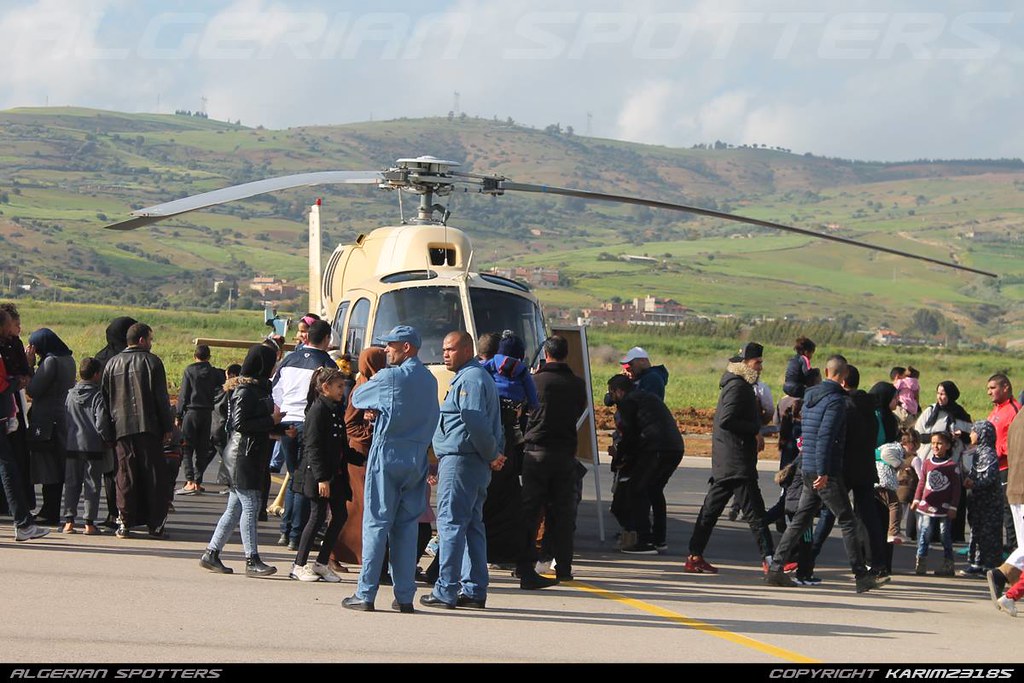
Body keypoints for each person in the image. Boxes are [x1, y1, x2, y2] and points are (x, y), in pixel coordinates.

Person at [341, 326, 439, 613]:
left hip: (388, 453)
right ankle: (405, 595)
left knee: (376, 524)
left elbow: (358, 399)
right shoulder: (429, 379)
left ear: (406, 347)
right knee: (407, 527)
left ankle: (365, 593)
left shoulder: (391, 377)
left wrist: (378, 406)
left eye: (391, 345)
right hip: (417, 457)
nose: (386, 350)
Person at [766, 355, 883, 594]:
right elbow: (826, 437)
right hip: (824, 470)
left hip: (807, 466)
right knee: (848, 520)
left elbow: (811, 435)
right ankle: (861, 576)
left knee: (801, 520)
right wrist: (824, 471)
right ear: (841, 376)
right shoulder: (835, 401)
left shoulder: (810, 396)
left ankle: (776, 569)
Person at [420, 331, 505, 610]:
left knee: (451, 525)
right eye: (444, 349)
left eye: (451, 349)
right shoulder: (477, 377)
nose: (445, 354)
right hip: (471, 462)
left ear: (467, 350)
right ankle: (474, 588)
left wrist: (492, 454)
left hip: (461, 461)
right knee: (471, 526)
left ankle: (446, 589)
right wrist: (493, 455)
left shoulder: (469, 379)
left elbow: (474, 421)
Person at [685, 342, 773, 574]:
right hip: (736, 461)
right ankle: (771, 561)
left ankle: (694, 556)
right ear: (744, 363)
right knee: (756, 514)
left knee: (710, 511)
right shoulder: (738, 387)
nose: (760, 367)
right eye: (757, 363)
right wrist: (754, 427)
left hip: (727, 461)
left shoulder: (739, 385)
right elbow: (727, 420)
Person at [200, 344, 283, 577]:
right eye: (272, 362)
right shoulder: (246, 391)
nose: (274, 367)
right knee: (250, 506)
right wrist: (271, 420)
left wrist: (278, 427)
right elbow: (240, 424)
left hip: (248, 453)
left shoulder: (258, 389)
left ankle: (212, 553)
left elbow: (254, 422)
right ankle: (252, 559)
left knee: (234, 508)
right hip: (241, 456)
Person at [516, 335, 589, 584]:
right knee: (563, 513)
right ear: (565, 354)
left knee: (530, 512)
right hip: (565, 454)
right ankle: (564, 568)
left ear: (546, 354)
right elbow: (579, 410)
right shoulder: (578, 385)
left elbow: (522, 410)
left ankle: (524, 564)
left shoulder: (535, 381)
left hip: (535, 453)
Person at [101, 322, 175, 539]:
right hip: (149, 427)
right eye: (150, 339)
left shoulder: (112, 363)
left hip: (121, 428)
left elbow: (105, 401)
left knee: (125, 475)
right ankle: (155, 524)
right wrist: (167, 426)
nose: (151, 343)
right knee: (154, 477)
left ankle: (124, 522)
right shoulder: (152, 362)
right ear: (142, 340)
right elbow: (161, 398)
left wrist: (108, 431)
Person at [271, 319, 335, 550]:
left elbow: (275, 392)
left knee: (293, 476)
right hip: (310, 424)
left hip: (287, 421)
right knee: (305, 481)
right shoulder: (328, 365)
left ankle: (286, 530)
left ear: (306, 337)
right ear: (327, 339)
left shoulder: (289, 360)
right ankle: (297, 534)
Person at [606, 374, 684, 555]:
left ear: (619, 391)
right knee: (654, 491)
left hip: (656, 448)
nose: (611, 397)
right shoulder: (646, 397)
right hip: (674, 447)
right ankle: (659, 539)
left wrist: (620, 457)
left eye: (612, 392)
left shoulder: (628, 403)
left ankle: (644, 540)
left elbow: (630, 435)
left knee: (637, 489)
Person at [481, 331, 537, 566]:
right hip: (511, 442)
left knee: (482, 502)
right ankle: (515, 558)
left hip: (490, 441)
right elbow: (534, 402)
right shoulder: (523, 372)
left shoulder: (485, 369)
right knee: (509, 500)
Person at [290, 367, 351, 583]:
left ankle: (321, 563)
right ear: (325, 387)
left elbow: (341, 444)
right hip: (319, 475)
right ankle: (298, 564)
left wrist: (360, 457)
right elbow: (313, 447)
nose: (342, 391)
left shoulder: (335, 408)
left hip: (336, 474)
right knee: (316, 518)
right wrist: (321, 478)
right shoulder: (318, 410)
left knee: (340, 515)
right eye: (339, 386)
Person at [335, 347, 387, 567]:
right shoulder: (363, 387)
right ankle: (339, 553)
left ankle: (346, 554)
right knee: (359, 506)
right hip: (360, 453)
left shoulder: (368, 383)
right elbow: (350, 423)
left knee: (360, 506)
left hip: (364, 452)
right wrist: (373, 432)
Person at [0, 308, 48, 541]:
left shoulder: (13, 345)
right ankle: (22, 522)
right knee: (8, 466)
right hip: (3, 412)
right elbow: (3, 383)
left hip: (7, 411)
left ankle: (22, 521)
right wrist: (17, 380)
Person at [25, 328, 77, 524]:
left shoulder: (51, 361)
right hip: (62, 418)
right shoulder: (68, 359)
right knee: (58, 465)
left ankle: (49, 511)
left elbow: (33, 389)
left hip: (47, 421)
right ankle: (51, 509)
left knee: (48, 467)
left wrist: (29, 366)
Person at [93, 315, 137, 528]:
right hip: (129, 421)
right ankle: (127, 513)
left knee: (110, 471)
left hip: (106, 421)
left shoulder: (101, 357)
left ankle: (112, 513)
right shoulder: (131, 358)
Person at [63, 357, 114, 535]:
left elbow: (65, 417)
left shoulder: (70, 394)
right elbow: (101, 422)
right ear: (96, 374)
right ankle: (88, 522)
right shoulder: (97, 395)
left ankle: (69, 521)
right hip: (92, 445)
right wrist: (107, 438)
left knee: (71, 483)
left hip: (72, 443)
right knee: (92, 484)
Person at [176, 345, 225, 495]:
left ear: (194, 356)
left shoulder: (189, 370)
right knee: (202, 449)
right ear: (209, 357)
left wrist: (178, 415)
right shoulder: (214, 372)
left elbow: (184, 394)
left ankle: (189, 480)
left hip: (191, 412)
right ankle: (197, 481)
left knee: (187, 448)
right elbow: (223, 383)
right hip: (207, 414)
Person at [0, 303, 35, 513]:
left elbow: (23, 372)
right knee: (7, 461)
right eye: (15, 324)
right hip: (6, 401)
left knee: (15, 456)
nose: (18, 329)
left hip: (13, 403)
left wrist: (24, 375)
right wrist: (16, 381)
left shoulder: (14, 344)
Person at [912, 431, 961, 576]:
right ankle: (921, 562)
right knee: (925, 532)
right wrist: (916, 499)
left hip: (944, 508)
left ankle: (948, 564)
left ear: (947, 445)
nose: (935, 446)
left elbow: (957, 489)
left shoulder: (952, 466)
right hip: (927, 506)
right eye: (933, 443)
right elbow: (922, 482)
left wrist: (953, 506)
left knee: (944, 534)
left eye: (939, 443)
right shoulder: (927, 463)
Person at [961, 421, 1002, 577]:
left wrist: (975, 483)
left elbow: (989, 477)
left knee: (989, 533)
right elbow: (975, 471)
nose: (971, 435)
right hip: (978, 502)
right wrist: (969, 479)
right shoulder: (978, 452)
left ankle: (989, 565)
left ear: (982, 434)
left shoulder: (989, 454)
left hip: (989, 503)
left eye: (973, 432)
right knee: (976, 532)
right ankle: (976, 562)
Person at [986, 374, 1020, 554]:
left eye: (992, 388)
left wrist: (996, 454)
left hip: (1006, 468)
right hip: (992, 468)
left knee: (1008, 510)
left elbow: (1013, 442)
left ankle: (1014, 547)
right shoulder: (996, 409)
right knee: (993, 510)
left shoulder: (1014, 410)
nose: (989, 392)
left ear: (1005, 387)